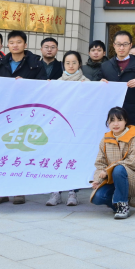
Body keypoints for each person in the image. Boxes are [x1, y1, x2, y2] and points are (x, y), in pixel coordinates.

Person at [0, 31, 47, 206]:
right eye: (12, 42)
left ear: (25, 45)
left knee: (21, 151)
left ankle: (18, 190)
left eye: (19, 42)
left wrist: (26, 84)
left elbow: (43, 88)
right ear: (8, 45)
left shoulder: (36, 65)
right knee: (2, 151)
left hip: (25, 113)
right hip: (4, 114)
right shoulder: (0, 64)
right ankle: (1, 191)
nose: (15, 45)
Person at [101, 31, 135, 209]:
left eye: (125, 44)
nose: (122, 47)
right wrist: (100, 83)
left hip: (133, 116)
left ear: (130, 45)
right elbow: (96, 86)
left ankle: (132, 193)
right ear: (113, 46)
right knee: (113, 153)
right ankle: (113, 189)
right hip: (113, 119)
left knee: (133, 156)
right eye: (118, 44)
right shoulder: (106, 66)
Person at [46, 50, 89, 207]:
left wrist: (102, 86)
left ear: (79, 64)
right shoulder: (57, 83)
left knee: (74, 159)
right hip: (60, 127)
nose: (71, 66)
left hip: (78, 128)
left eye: (74, 63)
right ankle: (56, 192)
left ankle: (72, 193)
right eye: (67, 63)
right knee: (57, 157)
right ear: (63, 65)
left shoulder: (87, 83)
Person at [89, 107, 135, 220]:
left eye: (119, 120)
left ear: (126, 121)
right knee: (97, 197)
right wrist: (97, 179)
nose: (115, 124)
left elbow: (134, 161)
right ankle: (120, 204)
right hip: (112, 179)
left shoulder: (134, 137)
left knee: (119, 169)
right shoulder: (105, 139)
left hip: (134, 178)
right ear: (108, 122)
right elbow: (100, 164)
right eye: (112, 120)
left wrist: (108, 170)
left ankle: (122, 205)